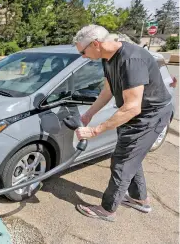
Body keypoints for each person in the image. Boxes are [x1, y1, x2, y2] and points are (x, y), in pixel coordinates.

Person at [72, 25, 173, 222]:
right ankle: (139, 199)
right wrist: (89, 115)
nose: (83, 56)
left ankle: (107, 210)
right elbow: (107, 91)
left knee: (121, 161)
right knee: (131, 157)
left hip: (148, 116)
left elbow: (132, 107)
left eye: (83, 52)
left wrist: (95, 131)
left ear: (95, 44)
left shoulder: (131, 59)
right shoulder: (108, 58)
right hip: (136, 115)